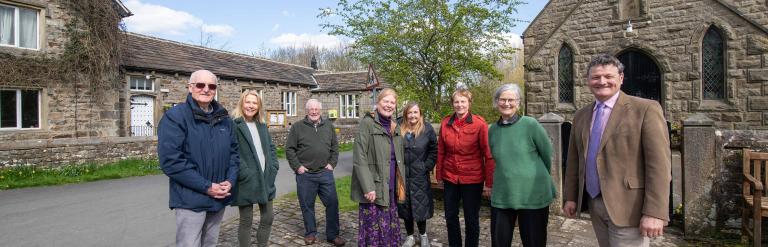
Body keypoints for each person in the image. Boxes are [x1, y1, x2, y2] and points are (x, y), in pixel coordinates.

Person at [563, 54, 671, 247]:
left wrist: (655, 212)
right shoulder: (581, 115)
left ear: (620, 78)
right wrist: (571, 197)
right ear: (588, 81)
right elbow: (574, 160)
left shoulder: (645, 109)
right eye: (596, 77)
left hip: (629, 207)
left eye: (608, 76)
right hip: (595, 203)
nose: (602, 81)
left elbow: (659, 166)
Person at [158, 69, 238, 247]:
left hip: (219, 197)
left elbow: (234, 154)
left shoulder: (225, 119)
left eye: (211, 86)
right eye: (200, 85)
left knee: (210, 243)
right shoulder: (175, 117)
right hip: (190, 199)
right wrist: (207, 187)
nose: (206, 89)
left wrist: (230, 181)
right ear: (190, 87)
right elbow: (171, 161)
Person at [487, 84, 554, 247]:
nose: (507, 103)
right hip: (503, 193)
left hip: (533, 193)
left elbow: (547, 155)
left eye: (511, 100)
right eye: (502, 99)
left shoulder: (530, 125)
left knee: (534, 242)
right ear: (496, 102)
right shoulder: (492, 130)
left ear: (518, 103)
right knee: (498, 241)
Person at [435, 88, 494, 247]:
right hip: (450, 177)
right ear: (452, 104)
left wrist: (489, 183)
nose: (459, 105)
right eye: (456, 101)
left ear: (469, 103)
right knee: (450, 216)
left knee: (471, 218)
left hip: (472, 179)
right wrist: (439, 175)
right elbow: (441, 151)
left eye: (463, 101)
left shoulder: (479, 124)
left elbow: (488, 155)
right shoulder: (445, 123)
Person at [285, 99, 346, 246]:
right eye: (311, 109)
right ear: (307, 110)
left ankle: (332, 235)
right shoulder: (297, 127)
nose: (314, 111)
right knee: (307, 205)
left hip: (325, 173)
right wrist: (297, 167)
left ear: (320, 110)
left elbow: (335, 148)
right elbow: (289, 149)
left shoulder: (328, 126)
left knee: (332, 203)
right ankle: (310, 233)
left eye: (316, 109)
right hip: (305, 175)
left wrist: (332, 164)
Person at [350, 88, 406, 247]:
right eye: (385, 101)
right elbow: (359, 157)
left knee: (389, 226)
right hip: (373, 187)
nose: (389, 105)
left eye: (392, 102)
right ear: (377, 102)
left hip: (391, 186)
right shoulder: (367, 124)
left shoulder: (395, 127)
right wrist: (368, 187)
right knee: (373, 230)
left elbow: (398, 157)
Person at [230, 90, 279, 247]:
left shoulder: (262, 125)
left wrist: (273, 166)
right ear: (242, 103)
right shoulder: (234, 125)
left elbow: (271, 148)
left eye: (254, 103)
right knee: (246, 220)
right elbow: (231, 152)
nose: (251, 106)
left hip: (265, 177)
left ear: (259, 106)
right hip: (246, 179)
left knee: (268, 216)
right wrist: (244, 172)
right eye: (248, 102)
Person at [398, 102, 438, 247]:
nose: (413, 115)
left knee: (420, 206)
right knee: (405, 206)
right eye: (410, 112)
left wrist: (426, 166)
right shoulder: (398, 127)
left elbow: (434, 150)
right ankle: (410, 236)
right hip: (401, 175)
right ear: (405, 114)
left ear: (420, 114)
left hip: (419, 175)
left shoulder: (427, 129)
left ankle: (423, 235)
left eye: (415, 112)